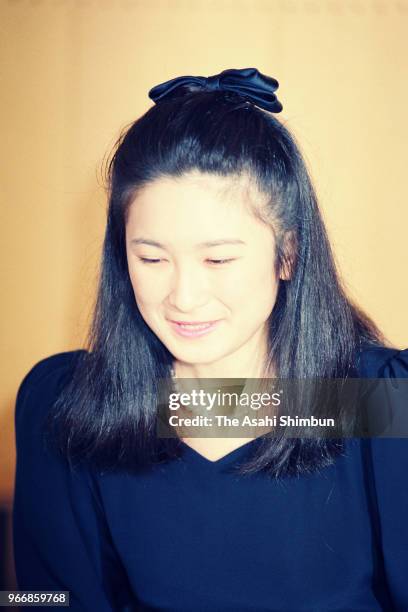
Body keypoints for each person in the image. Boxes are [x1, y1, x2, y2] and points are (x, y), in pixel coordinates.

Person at [13, 68, 408, 611]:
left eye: (218, 258)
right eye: (151, 258)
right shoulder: (69, 405)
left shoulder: (381, 402)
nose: (184, 297)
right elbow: (44, 600)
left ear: (287, 254)